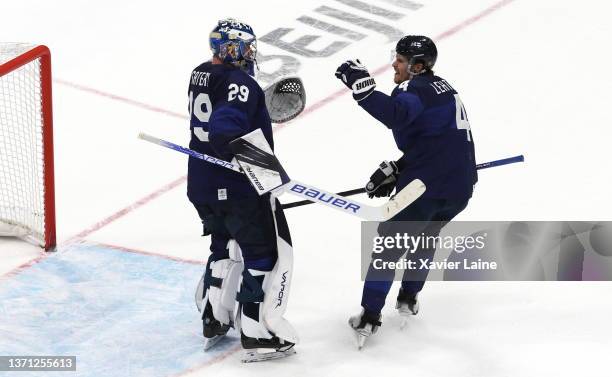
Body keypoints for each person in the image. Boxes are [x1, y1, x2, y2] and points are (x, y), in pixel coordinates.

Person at [334, 35, 478, 345]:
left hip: (426, 186)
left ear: (418, 66)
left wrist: (363, 89)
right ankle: (409, 298)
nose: (394, 65)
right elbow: (439, 139)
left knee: (388, 249)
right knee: (426, 237)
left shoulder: (416, 88)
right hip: (459, 187)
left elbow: (396, 114)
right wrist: (401, 167)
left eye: (400, 61)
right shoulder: (443, 88)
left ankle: (370, 317)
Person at [189, 18, 297, 361]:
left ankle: (214, 317)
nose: (251, 53)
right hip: (236, 186)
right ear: (231, 48)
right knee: (262, 253)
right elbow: (224, 128)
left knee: (222, 244)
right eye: (247, 46)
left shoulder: (200, 72)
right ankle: (256, 331)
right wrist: (261, 169)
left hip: (201, 183)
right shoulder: (241, 84)